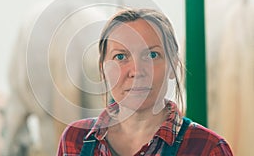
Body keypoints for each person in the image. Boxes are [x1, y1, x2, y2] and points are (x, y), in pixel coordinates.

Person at [56, 9, 233, 155]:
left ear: (173, 66)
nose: (137, 71)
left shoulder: (208, 148)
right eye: (120, 56)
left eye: (151, 55)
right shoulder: (75, 140)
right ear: (103, 69)